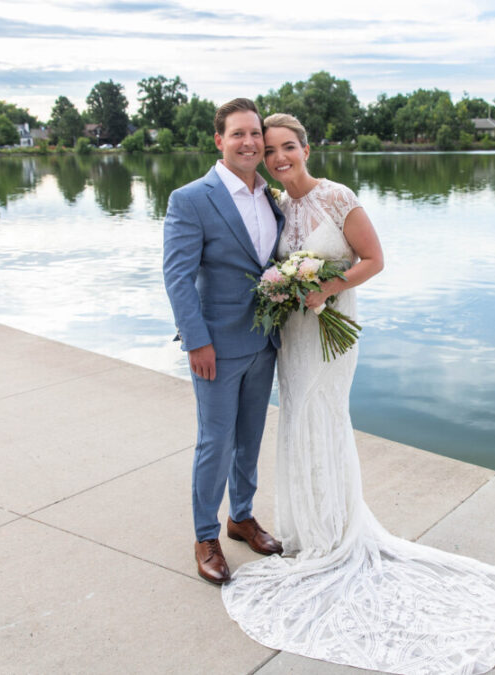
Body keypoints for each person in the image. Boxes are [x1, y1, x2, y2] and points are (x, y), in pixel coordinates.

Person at [220, 114, 495, 674]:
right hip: (293, 335)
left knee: (325, 418)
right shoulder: (278, 207)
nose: (279, 157)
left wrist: (325, 290)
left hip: (332, 329)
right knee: (298, 421)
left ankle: (337, 532)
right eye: (270, 150)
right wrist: (289, 289)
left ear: (306, 148)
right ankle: (308, 529)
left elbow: (374, 260)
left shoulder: (337, 197)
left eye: (288, 147)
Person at [163, 98, 286, 585]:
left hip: (265, 342)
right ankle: (205, 535)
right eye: (238, 134)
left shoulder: (271, 197)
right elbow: (177, 277)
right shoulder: (191, 198)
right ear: (219, 140)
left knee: (250, 438)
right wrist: (196, 341)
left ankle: (242, 517)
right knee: (215, 441)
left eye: (255, 133)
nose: (249, 142)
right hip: (215, 345)